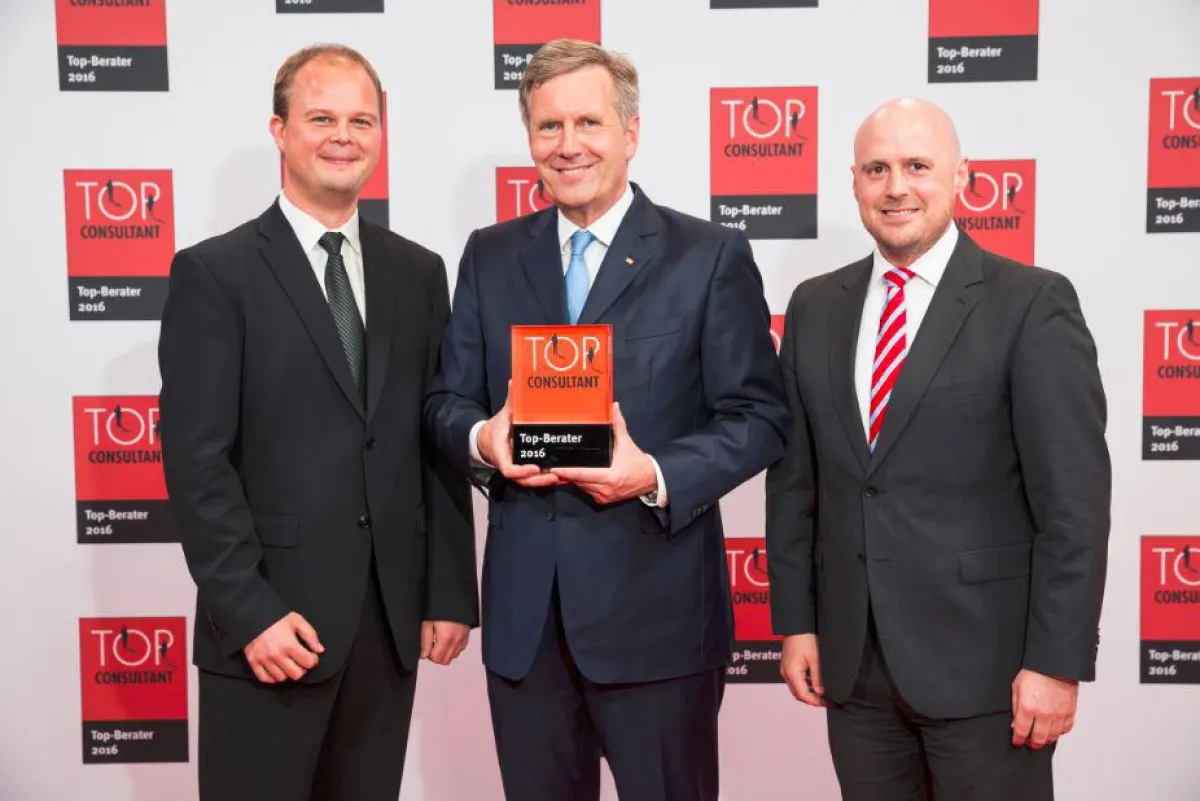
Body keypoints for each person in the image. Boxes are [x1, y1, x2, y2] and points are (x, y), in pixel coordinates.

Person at [425, 38, 789, 801]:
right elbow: (444, 403)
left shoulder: (708, 255)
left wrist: (653, 473)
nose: (568, 145)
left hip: (658, 624)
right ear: (529, 139)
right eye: (548, 127)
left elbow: (760, 415)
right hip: (527, 629)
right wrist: (483, 440)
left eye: (588, 123)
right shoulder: (489, 257)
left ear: (630, 132)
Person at [765, 97, 1110, 801]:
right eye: (876, 168)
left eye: (917, 166)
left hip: (989, 673)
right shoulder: (814, 305)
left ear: (961, 178)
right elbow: (797, 483)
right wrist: (797, 622)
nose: (896, 186)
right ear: (853, 181)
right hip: (854, 670)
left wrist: (1056, 662)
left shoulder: (1031, 303)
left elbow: (1073, 505)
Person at [158, 43, 477, 801]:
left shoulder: (419, 271)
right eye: (322, 117)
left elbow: (435, 437)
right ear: (280, 131)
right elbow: (197, 462)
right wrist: (250, 612)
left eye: (362, 119)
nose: (344, 134)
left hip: (389, 627)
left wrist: (449, 591)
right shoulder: (215, 273)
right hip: (272, 628)